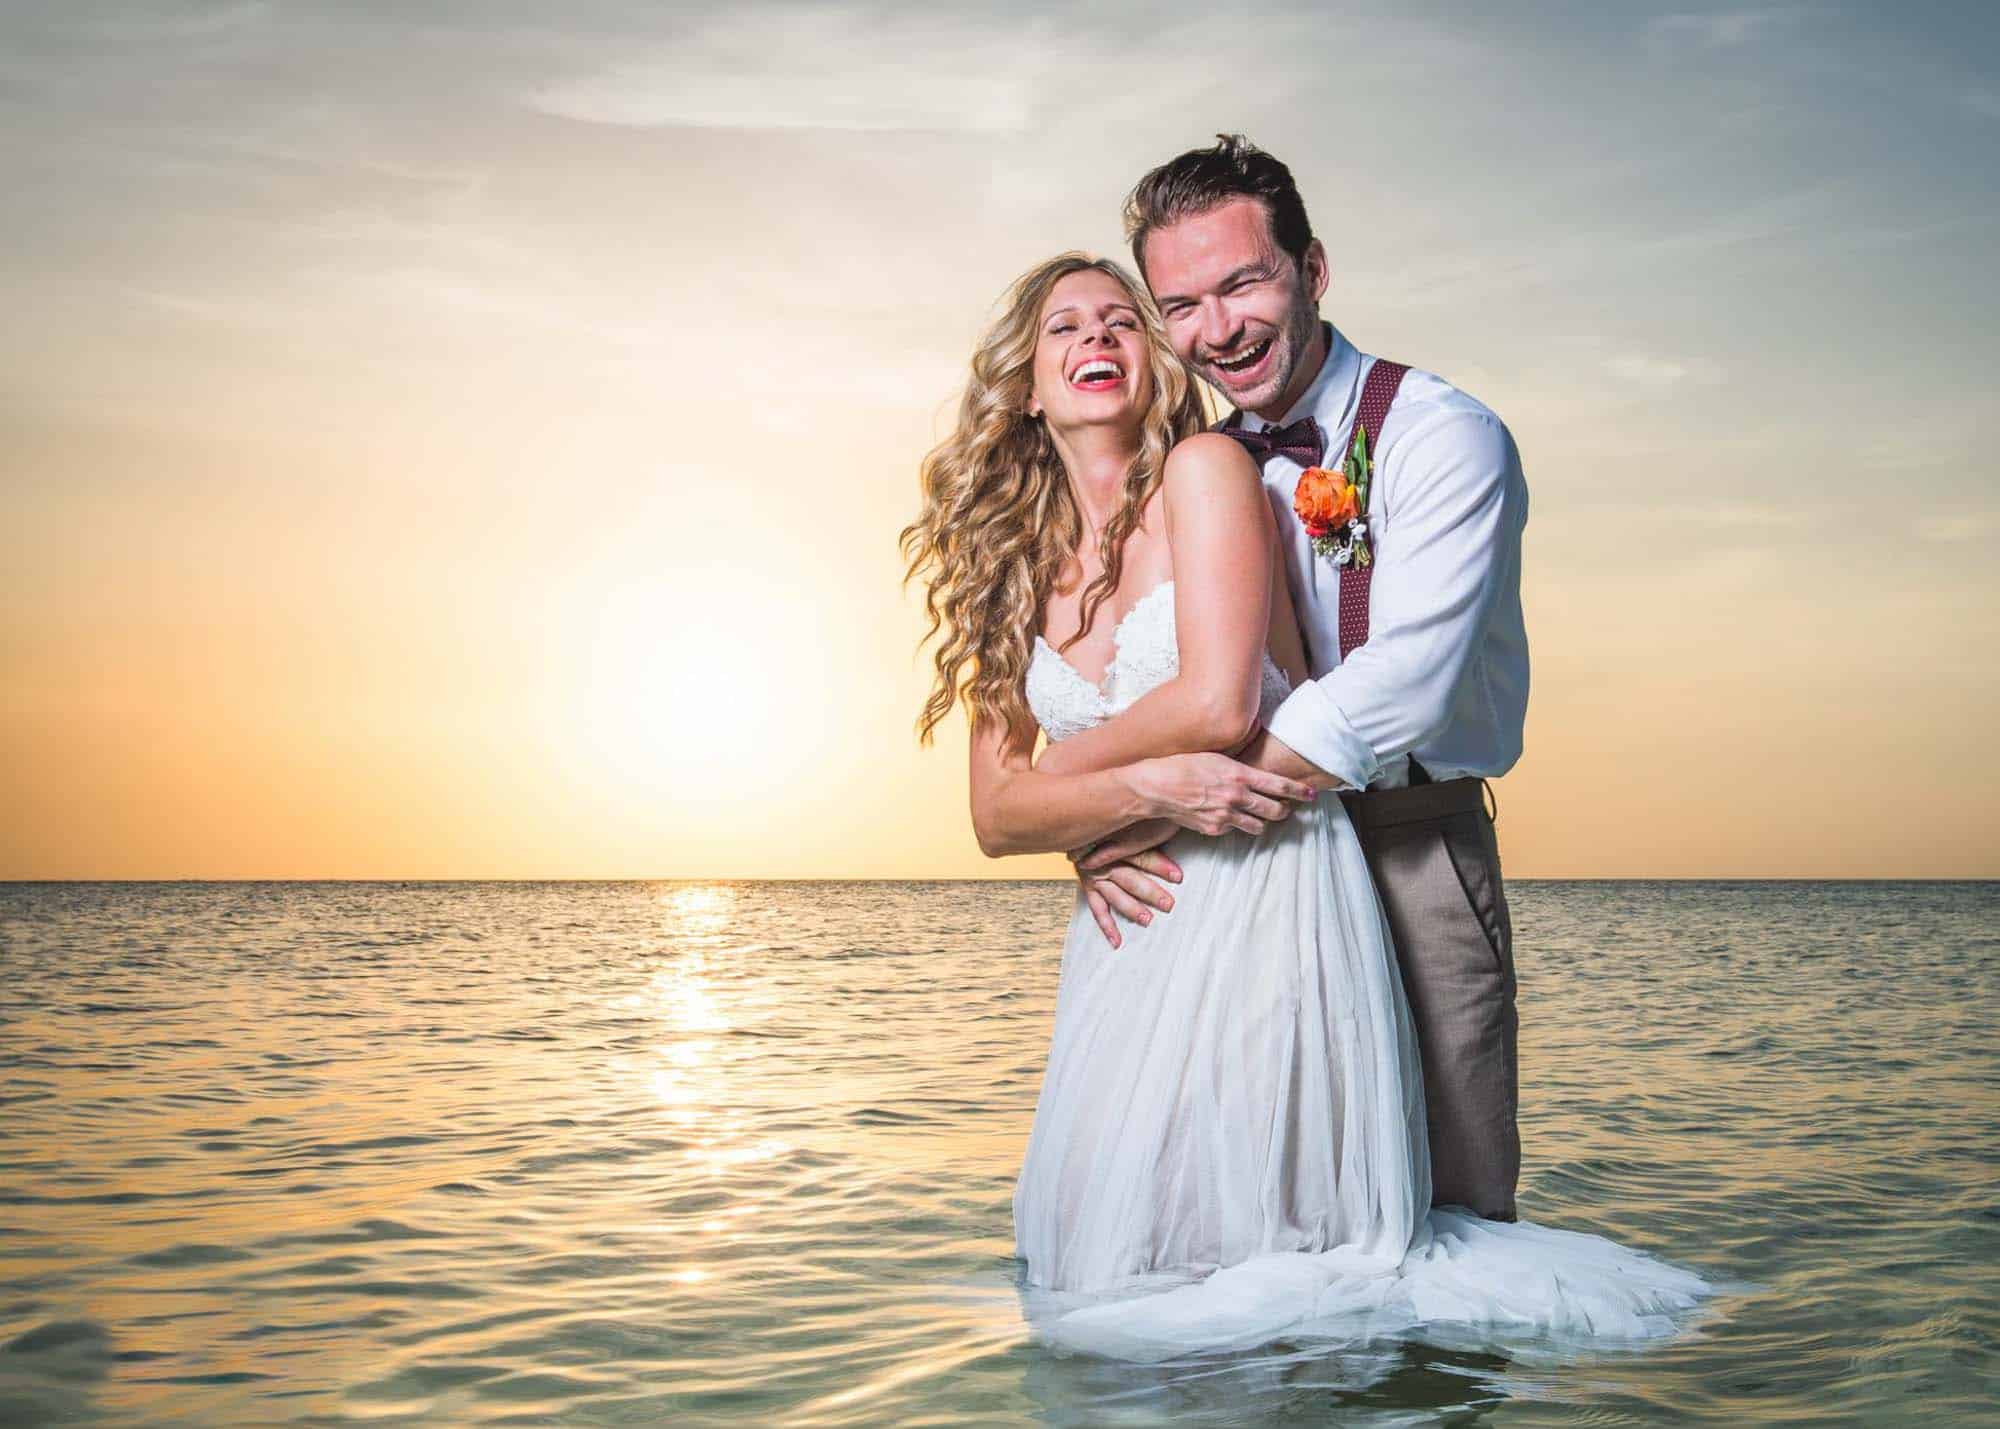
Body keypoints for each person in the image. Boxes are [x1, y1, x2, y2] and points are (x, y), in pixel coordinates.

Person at [901, 252, 1708, 1362]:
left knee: (1298, 1222)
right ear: (1023, 384)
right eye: (1061, 330)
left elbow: (1216, 700)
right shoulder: (1003, 562)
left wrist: (1073, 793)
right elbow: (992, 817)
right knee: (1133, 1227)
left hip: (1264, 871)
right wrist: (1116, 803)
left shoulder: (1205, 466)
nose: (1096, 339)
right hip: (1131, 915)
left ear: (1155, 359)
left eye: (1122, 321)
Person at [1081, 134, 1528, 1224]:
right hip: (1233, 874)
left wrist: (1172, 810)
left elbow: (1406, 682)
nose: (1216, 329)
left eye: (1242, 282)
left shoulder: (1441, 434)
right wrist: (1113, 815)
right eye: (1179, 303)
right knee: (1258, 1190)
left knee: (1448, 1195)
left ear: (1312, 270)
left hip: (1404, 839)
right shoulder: (1193, 470)